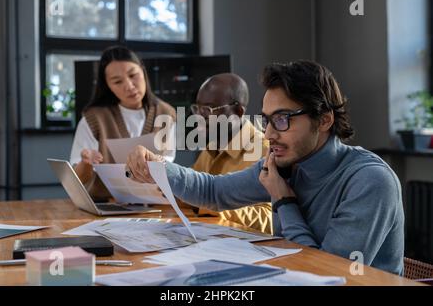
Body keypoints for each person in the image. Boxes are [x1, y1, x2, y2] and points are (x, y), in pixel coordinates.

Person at [125, 60, 405, 275]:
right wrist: (159, 165)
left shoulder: (370, 180)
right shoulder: (284, 164)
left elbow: (327, 271)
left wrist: (284, 200)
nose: (270, 134)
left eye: (282, 119)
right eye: (268, 120)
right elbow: (214, 191)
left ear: (324, 120)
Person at [70, 46, 176, 199]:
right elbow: (77, 179)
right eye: (117, 81)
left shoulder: (166, 114)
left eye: (133, 75)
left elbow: (168, 166)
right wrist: (86, 162)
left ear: (143, 72)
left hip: (154, 205)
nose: (129, 86)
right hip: (106, 205)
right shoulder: (93, 118)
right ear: (107, 85)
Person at [190, 73, 272, 234]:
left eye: (208, 109)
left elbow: (271, 218)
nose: (199, 116)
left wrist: (211, 204)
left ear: (238, 111)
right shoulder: (212, 147)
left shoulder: (264, 150)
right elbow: (194, 194)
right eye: (197, 108)